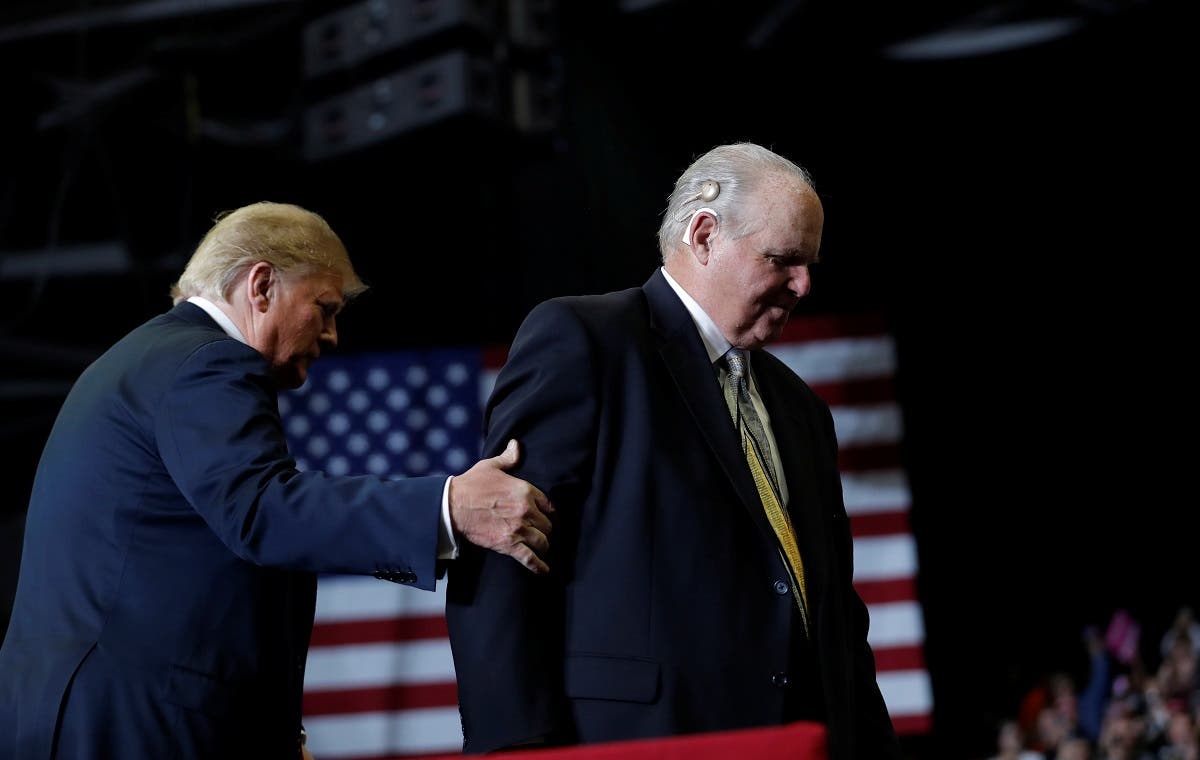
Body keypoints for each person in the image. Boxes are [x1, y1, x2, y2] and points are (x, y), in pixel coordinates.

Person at [0, 202, 553, 759]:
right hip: (130, 724)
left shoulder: (150, 359)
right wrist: (446, 506)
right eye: (325, 307)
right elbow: (262, 512)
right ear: (261, 285)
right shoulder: (202, 361)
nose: (333, 335)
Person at [446, 143, 900, 759]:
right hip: (644, 741)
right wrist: (515, 748)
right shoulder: (586, 342)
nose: (804, 284)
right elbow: (504, 553)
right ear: (705, 234)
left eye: (810, 264)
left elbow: (837, 614)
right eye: (784, 260)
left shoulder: (802, 410)